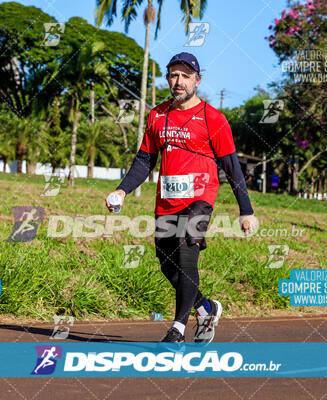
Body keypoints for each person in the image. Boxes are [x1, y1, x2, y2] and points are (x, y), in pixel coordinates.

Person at [106, 52, 257, 344]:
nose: (179, 81)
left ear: (197, 81)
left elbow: (231, 166)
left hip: (200, 198)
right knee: (167, 263)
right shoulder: (157, 115)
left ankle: (177, 328)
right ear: (168, 78)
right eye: (174, 75)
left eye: (186, 76)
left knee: (187, 256)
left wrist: (246, 210)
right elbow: (144, 160)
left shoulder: (213, 118)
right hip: (166, 201)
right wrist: (122, 190)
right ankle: (206, 308)